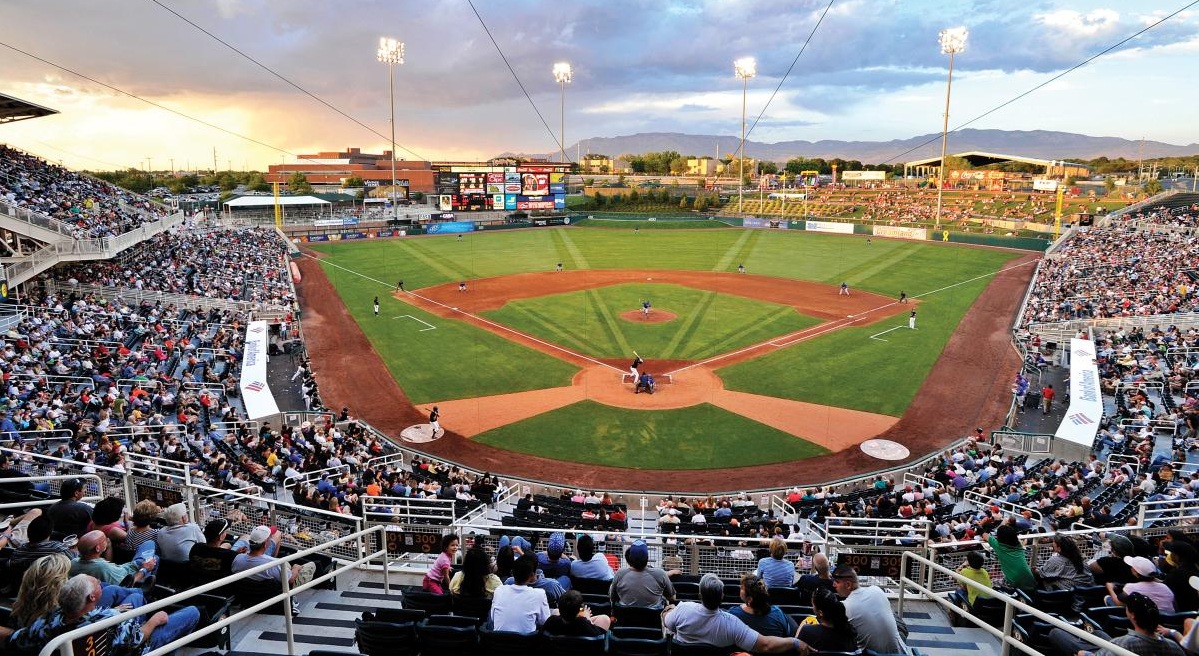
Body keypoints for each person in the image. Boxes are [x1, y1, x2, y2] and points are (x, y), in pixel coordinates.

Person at [4, 574, 201, 654]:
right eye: (98, 584)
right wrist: (155, 621)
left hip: (108, 634)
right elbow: (138, 638)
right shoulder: (109, 620)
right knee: (192, 612)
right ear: (91, 598)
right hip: (134, 648)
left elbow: (15, 639)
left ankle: (140, 592)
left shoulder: (48, 619)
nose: (100, 584)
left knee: (134, 599)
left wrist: (113, 612)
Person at [664, 573, 801, 653]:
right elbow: (765, 645)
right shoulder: (732, 623)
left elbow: (667, 623)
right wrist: (795, 642)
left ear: (700, 594)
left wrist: (668, 610)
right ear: (722, 596)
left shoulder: (683, 609)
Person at [1048, 592, 1185, 656]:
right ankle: (1089, 636)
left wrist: (1083, 654)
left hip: (1114, 652)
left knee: (1056, 633)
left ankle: (1084, 641)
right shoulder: (1173, 647)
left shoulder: (1123, 644)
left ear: (1132, 615)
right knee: (1098, 633)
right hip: (1119, 649)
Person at [833, 564, 907, 654]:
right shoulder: (877, 590)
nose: (833, 585)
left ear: (848, 585)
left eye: (836, 582)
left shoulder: (844, 607)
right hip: (902, 653)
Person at [231, 525, 316, 588]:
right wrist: (295, 568)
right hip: (275, 591)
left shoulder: (237, 559)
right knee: (312, 565)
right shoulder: (272, 563)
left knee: (285, 564)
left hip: (249, 591)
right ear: (265, 544)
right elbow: (290, 580)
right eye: (269, 539)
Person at [490, 553, 551, 633]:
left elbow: (493, 618)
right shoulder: (539, 594)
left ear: (512, 573)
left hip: (497, 643)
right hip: (526, 643)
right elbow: (545, 622)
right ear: (532, 575)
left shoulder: (499, 590)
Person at [70, 530, 157, 586]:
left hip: (124, 568)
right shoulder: (102, 568)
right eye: (104, 540)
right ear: (97, 548)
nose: (107, 540)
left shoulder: (73, 562)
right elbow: (126, 585)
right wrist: (144, 570)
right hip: (136, 570)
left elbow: (105, 566)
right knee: (151, 546)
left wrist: (108, 546)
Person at [610, 539, 676, 608]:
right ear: (647, 558)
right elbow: (672, 598)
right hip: (654, 618)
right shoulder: (661, 573)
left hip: (625, 618)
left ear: (630, 558)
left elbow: (612, 597)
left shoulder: (620, 573)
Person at [728, 573, 798, 638]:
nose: (740, 589)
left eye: (742, 588)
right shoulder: (777, 613)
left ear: (749, 599)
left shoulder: (733, 614)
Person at [798, 587, 859, 653]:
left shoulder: (807, 630)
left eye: (813, 605)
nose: (813, 608)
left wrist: (802, 625)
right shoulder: (851, 632)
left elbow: (797, 649)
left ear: (820, 613)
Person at [983, 520, 1036, 594]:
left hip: (1014, 582)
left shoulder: (999, 546)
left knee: (990, 584)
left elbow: (985, 535)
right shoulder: (1019, 545)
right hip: (1029, 580)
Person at [1108, 556, 1175, 613]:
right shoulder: (1165, 587)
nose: (1131, 568)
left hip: (1145, 622)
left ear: (1135, 572)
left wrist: (1110, 588)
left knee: (1108, 599)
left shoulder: (1131, 587)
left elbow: (1118, 603)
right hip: (1167, 622)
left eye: (1133, 567)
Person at [542, 589, 611, 635]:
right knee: (605, 618)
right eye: (581, 608)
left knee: (555, 612)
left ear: (559, 607)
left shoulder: (552, 621)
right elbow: (599, 637)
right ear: (579, 611)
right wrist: (587, 618)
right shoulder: (584, 624)